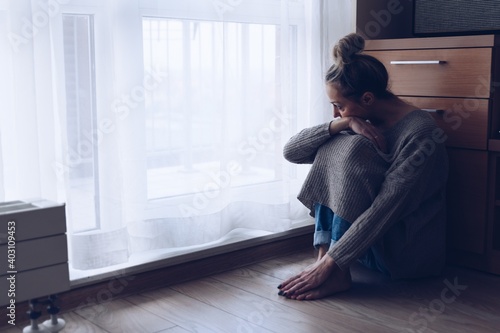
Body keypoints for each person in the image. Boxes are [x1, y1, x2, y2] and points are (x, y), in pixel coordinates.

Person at [277, 33, 449, 300]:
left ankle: (332, 268)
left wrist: (332, 260)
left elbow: (387, 208)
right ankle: (328, 263)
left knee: (351, 148)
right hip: (361, 251)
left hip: (403, 254)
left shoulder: (421, 133)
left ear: (367, 99)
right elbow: (291, 152)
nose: (335, 113)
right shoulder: (358, 120)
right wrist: (342, 125)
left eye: (339, 107)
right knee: (335, 143)